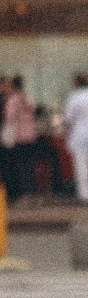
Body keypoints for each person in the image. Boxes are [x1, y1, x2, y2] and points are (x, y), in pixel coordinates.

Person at [63, 70, 88, 207]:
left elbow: (68, 119)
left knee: (81, 165)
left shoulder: (74, 97)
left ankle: (85, 195)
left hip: (79, 134)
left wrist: (64, 132)